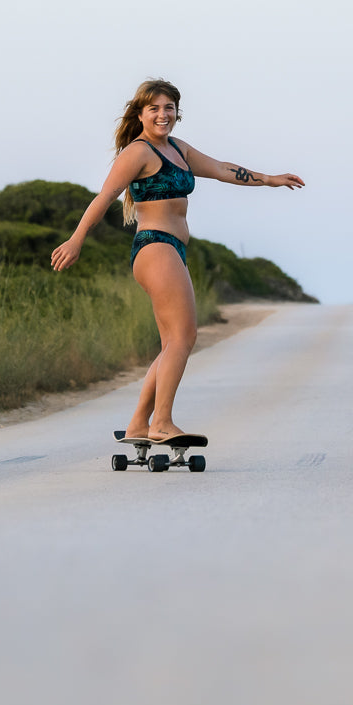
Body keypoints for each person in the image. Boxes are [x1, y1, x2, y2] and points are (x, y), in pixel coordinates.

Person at [50, 79, 305, 441]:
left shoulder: (178, 149)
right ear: (140, 114)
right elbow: (104, 197)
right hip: (155, 246)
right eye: (154, 108)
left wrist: (268, 179)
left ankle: (139, 423)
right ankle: (162, 423)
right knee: (184, 336)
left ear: (177, 112)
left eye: (168, 107)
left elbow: (221, 169)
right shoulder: (137, 153)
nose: (162, 114)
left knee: (173, 342)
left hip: (172, 249)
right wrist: (76, 239)